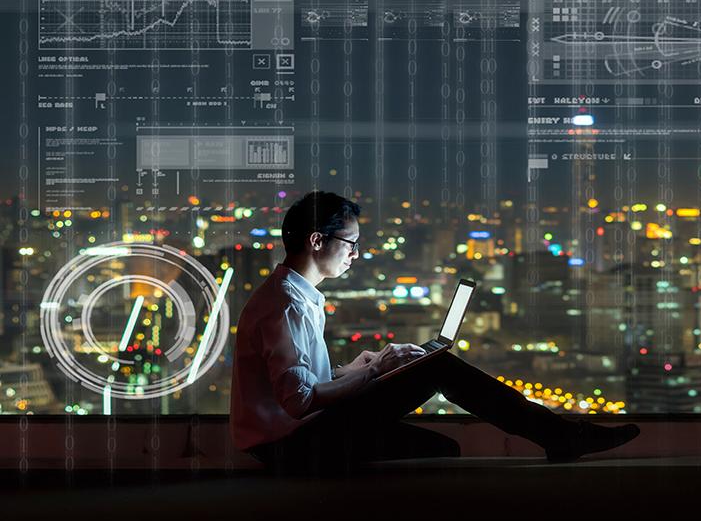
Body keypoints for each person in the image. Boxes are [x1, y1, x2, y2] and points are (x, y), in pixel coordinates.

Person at [230, 191, 639, 475]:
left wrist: (355, 368)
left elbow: (298, 381)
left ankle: (560, 436)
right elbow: (299, 402)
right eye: (350, 243)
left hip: (299, 438)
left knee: (444, 448)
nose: (357, 253)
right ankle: (562, 436)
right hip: (294, 448)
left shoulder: (293, 295)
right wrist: (375, 373)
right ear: (317, 241)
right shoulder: (286, 305)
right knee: (435, 368)